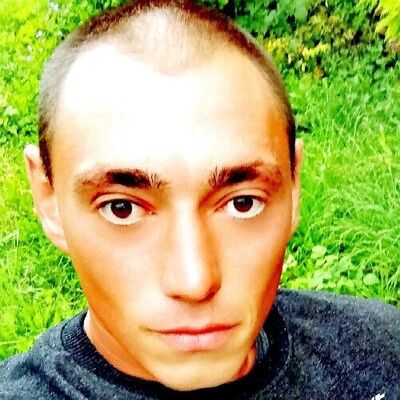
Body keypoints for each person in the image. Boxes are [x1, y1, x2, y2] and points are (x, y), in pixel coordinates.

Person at [1, 0, 399, 398]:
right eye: (122, 208)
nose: (194, 282)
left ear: (293, 188)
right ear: (49, 200)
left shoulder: (384, 353)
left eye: (243, 203)